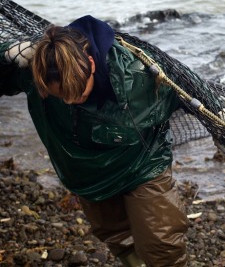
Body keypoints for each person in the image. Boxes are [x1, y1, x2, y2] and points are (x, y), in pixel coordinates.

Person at [0, 15, 189, 267]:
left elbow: (188, 86)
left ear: (91, 64)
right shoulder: (35, 72)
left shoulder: (135, 75)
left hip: (143, 163)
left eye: (77, 92)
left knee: (162, 240)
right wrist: (8, 52)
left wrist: (220, 125)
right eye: (61, 95)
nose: (69, 101)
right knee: (115, 234)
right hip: (85, 174)